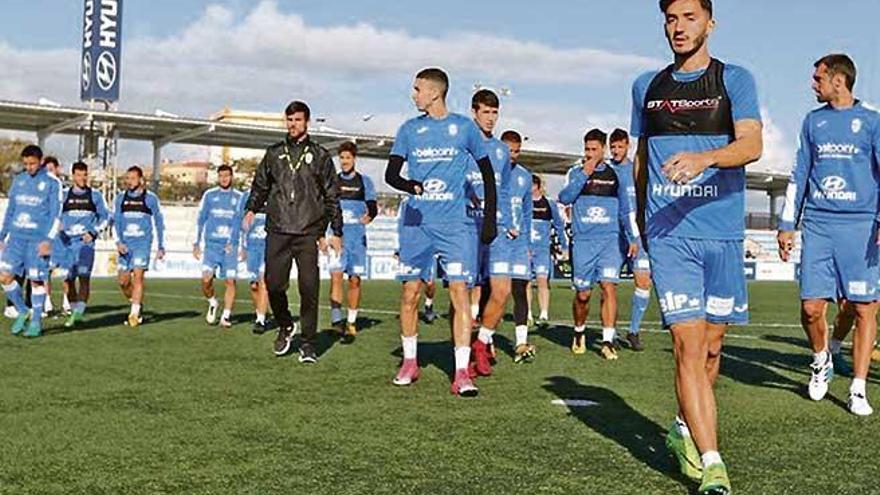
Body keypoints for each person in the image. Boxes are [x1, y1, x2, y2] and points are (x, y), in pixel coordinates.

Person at [631, 1, 763, 492]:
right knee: (687, 345)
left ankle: (684, 427)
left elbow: (752, 145)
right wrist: (642, 219)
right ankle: (713, 464)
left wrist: (705, 158)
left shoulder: (735, 80)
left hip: (722, 233)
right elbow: (642, 159)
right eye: (670, 18)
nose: (678, 27)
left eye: (688, 17)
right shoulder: (646, 86)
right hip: (670, 235)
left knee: (711, 348)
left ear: (710, 23)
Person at [777, 54, 880, 417]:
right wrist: (787, 223)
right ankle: (821, 359)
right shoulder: (813, 121)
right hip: (819, 224)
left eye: (818, 78)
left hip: (862, 227)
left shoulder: (871, 122)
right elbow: (799, 174)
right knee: (810, 309)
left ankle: (858, 388)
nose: (812, 84)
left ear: (839, 81)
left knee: (865, 308)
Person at [385, 68, 498, 396]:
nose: (413, 94)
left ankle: (462, 372)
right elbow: (392, 173)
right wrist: (410, 185)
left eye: (417, 89)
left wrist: (489, 219)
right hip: (416, 224)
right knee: (410, 294)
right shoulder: (409, 129)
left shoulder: (464, 128)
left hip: (455, 226)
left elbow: (487, 175)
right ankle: (409, 362)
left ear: (435, 93)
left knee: (460, 293)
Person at [242, 100, 342, 364]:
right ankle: (286, 324)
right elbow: (260, 184)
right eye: (289, 120)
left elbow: (332, 194)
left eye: (297, 119)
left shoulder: (320, 155)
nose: (292, 124)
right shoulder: (274, 153)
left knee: (309, 288)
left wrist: (336, 230)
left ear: (307, 121)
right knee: (274, 284)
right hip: (278, 228)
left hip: (309, 231)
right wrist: (251, 208)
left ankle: (308, 343)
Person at [558, 129, 638, 361]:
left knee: (609, 287)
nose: (590, 154)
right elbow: (565, 198)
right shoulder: (576, 172)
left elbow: (624, 210)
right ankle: (579, 331)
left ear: (603, 149)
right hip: (583, 242)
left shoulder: (616, 176)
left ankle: (607, 340)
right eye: (587, 149)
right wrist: (585, 173)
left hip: (610, 241)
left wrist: (632, 238)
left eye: (594, 149)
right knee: (583, 295)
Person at [467, 89, 514, 378]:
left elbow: (505, 189)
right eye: (486, 112)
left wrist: (508, 222)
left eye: (495, 113)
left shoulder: (500, 150)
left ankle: (481, 342)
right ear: (475, 112)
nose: (490, 118)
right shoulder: (464, 148)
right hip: (468, 228)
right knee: (463, 294)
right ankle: (461, 356)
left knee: (502, 290)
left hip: (495, 229)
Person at [0, 145, 62, 337]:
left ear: (41, 161)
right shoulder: (19, 180)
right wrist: (2, 235)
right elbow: (11, 210)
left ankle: (35, 322)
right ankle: (22, 310)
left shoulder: (52, 182)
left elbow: (56, 213)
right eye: (25, 163)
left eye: (32, 163)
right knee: (4, 276)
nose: (29, 167)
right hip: (16, 239)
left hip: (38, 240)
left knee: (36, 280)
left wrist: (48, 240)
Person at [326, 141, 377, 341]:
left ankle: (351, 321)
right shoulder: (333, 181)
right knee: (336, 276)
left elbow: (372, 204)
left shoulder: (365, 182)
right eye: (342, 158)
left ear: (354, 159)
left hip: (357, 238)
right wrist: (324, 236)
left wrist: (370, 214)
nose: (345, 161)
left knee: (354, 280)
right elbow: (326, 208)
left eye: (348, 158)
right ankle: (337, 320)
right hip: (338, 237)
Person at [610, 128, 652, 351]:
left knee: (644, 282)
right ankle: (611, 332)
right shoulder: (606, 171)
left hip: (637, 235)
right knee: (609, 287)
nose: (616, 151)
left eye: (620, 146)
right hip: (614, 237)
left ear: (627, 146)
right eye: (613, 147)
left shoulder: (636, 171)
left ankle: (633, 330)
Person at [59, 161, 110, 328]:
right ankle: (75, 311)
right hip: (66, 244)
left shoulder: (95, 196)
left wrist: (94, 232)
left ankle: (77, 314)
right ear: (73, 176)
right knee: (67, 280)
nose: (82, 178)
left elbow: (106, 217)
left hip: (85, 244)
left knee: (84, 278)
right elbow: (54, 215)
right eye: (79, 175)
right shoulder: (64, 195)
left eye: (85, 174)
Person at [114, 166, 166, 327]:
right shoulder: (120, 198)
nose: (129, 181)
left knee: (138, 276)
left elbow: (158, 222)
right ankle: (136, 302)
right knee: (123, 281)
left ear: (141, 180)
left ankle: (134, 313)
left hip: (142, 244)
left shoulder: (150, 199)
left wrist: (161, 246)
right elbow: (116, 221)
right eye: (127, 178)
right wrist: (118, 242)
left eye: (133, 178)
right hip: (125, 245)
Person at [193, 164, 244, 329]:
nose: (224, 179)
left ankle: (226, 316)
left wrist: (242, 246)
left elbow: (243, 224)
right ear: (218, 177)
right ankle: (213, 302)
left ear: (231, 177)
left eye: (227, 176)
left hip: (230, 247)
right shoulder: (209, 195)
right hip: (212, 246)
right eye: (221, 176)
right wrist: (196, 243)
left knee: (230, 281)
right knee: (206, 280)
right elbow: (201, 220)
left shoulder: (240, 197)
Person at [503, 130, 536, 363]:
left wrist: (527, 243)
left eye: (516, 151)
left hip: (518, 244)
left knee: (520, 289)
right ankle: (485, 340)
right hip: (497, 241)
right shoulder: (491, 173)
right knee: (494, 291)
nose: (512, 155)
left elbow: (527, 213)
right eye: (508, 151)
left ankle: (521, 342)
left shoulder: (525, 176)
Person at [528, 175, 568, 328]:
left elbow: (558, 225)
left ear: (537, 186)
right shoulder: (524, 203)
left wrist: (564, 246)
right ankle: (528, 313)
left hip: (542, 249)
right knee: (526, 282)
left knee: (542, 280)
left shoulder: (548, 204)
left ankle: (544, 314)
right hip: (526, 250)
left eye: (531, 185)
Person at [239, 190, 270, 334]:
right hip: (252, 247)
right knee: (254, 286)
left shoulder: (275, 194)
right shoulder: (247, 196)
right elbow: (241, 224)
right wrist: (243, 247)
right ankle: (261, 312)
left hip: (268, 247)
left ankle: (260, 319)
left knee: (264, 281)